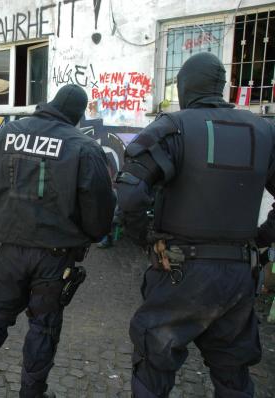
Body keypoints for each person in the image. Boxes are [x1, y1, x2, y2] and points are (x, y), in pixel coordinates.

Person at [115, 52, 275, 397]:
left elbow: (129, 192)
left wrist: (144, 236)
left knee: (153, 367)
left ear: (185, 86)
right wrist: (263, 236)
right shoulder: (266, 131)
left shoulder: (172, 126)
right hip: (238, 274)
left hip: (179, 272)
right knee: (233, 373)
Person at [0, 84, 116, 397]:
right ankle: (31, 392)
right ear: (77, 116)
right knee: (43, 327)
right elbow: (99, 210)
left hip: (9, 248)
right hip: (54, 256)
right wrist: (87, 236)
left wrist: (3, 216)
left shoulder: (9, 133)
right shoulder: (83, 147)